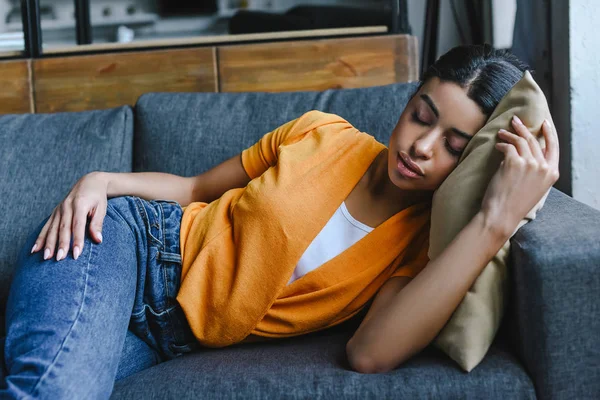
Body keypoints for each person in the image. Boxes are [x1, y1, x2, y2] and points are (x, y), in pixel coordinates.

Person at [0, 44, 560, 398]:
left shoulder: (423, 249)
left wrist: (494, 222)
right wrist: (103, 180)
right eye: (421, 116)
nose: (421, 146)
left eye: (454, 147)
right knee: (52, 390)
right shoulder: (321, 132)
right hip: (122, 244)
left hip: (169, 337)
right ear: (409, 102)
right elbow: (194, 189)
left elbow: (369, 355)